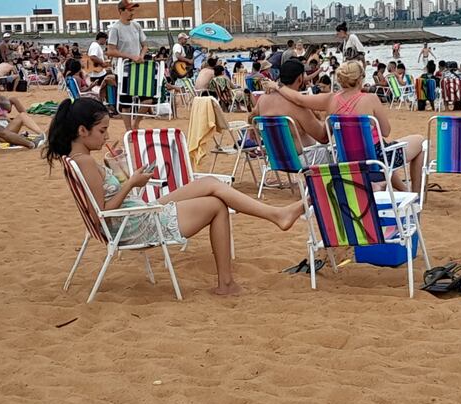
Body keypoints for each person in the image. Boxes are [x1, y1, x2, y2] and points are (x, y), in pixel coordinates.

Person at [44, 98, 305, 295]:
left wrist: (123, 176)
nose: (106, 135)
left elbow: (105, 204)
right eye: (102, 130)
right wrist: (131, 182)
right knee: (215, 206)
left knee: (209, 182)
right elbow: (104, 212)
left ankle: (277, 215)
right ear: (82, 131)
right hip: (135, 224)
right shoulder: (85, 163)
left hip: (136, 213)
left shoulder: (79, 159)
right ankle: (226, 282)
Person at [262, 61, 425, 194]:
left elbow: (299, 99)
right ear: (360, 79)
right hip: (376, 159)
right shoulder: (371, 98)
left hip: (344, 159)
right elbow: (386, 131)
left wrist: (277, 86)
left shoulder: (331, 99)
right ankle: (416, 194)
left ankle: (402, 189)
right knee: (419, 142)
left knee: (378, 149)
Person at [250, 60, 329, 157]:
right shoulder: (297, 105)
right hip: (303, 160)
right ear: (300, 79)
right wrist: (328, 118)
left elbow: (252, 119)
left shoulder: (262, 99)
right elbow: (323, 137)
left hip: (276, 159)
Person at [105, 0, 150, 131]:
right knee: (126, 101)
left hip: (138, 68)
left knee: (148, 99)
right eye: (129, 10)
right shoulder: (115, 28)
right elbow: (110, 50)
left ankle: (136, 123)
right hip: (123, 69)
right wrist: (131, 57)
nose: (132, 13)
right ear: (121, 11)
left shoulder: (136, 26)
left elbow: (145, 44)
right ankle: (129, 130)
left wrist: (141, 55)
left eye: (133, 10)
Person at [0, 76, 46, 140]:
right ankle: (42, 135)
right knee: (22, 116)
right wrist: (4, 118)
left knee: (22, 115)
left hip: (7, 130)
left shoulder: (1, 98)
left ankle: (42, 134)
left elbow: (8, 107)